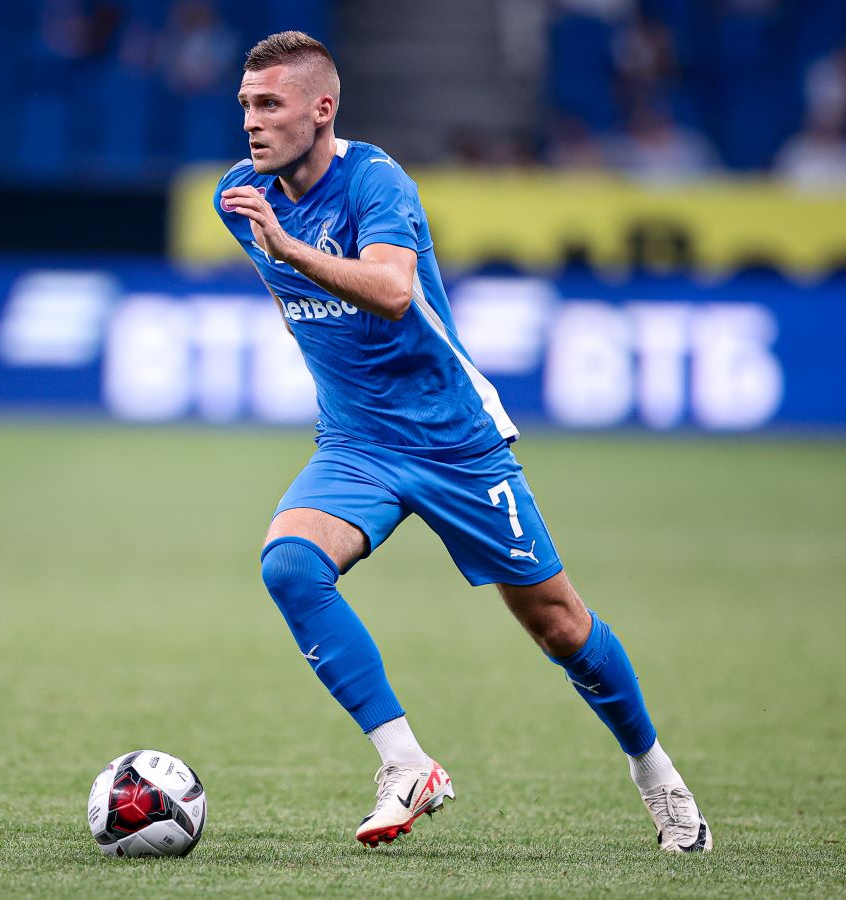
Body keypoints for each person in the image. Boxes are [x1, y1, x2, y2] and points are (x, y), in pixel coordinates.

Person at [214, 31, 712, 853]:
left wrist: (289, 247)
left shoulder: (375, 181)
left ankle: (655, 772)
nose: (251, 122)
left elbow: (392, 289)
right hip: (357, 443)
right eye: (245, 105)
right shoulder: (240, 195)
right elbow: (289, 298)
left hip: (454, 443)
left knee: (559, 625)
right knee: (291, 566)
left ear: (322, 109)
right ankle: (406, 763)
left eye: (270, 104)